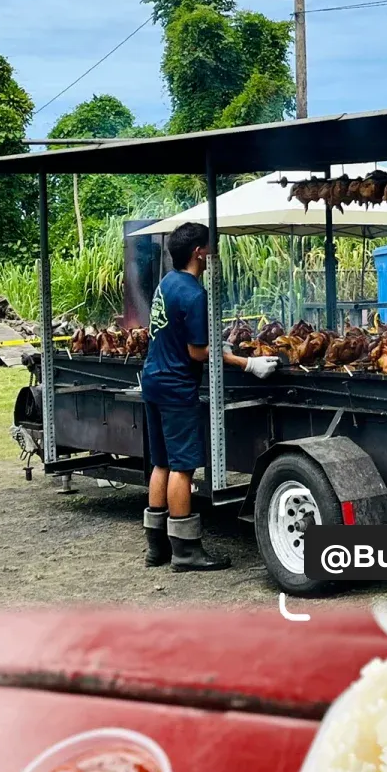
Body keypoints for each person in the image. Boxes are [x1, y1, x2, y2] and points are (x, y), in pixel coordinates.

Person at [141, 221, 277, 572]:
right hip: (176, 386)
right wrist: (246, 363)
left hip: (153, 380)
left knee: (161, 462)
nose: (215, 253)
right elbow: (198, 352)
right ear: (199, 252)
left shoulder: (166, 284)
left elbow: (178, 334)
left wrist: (221, 345)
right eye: (211, 247)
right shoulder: (194, 293)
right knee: (182, 467)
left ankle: (157, 547)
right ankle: (185, 551)